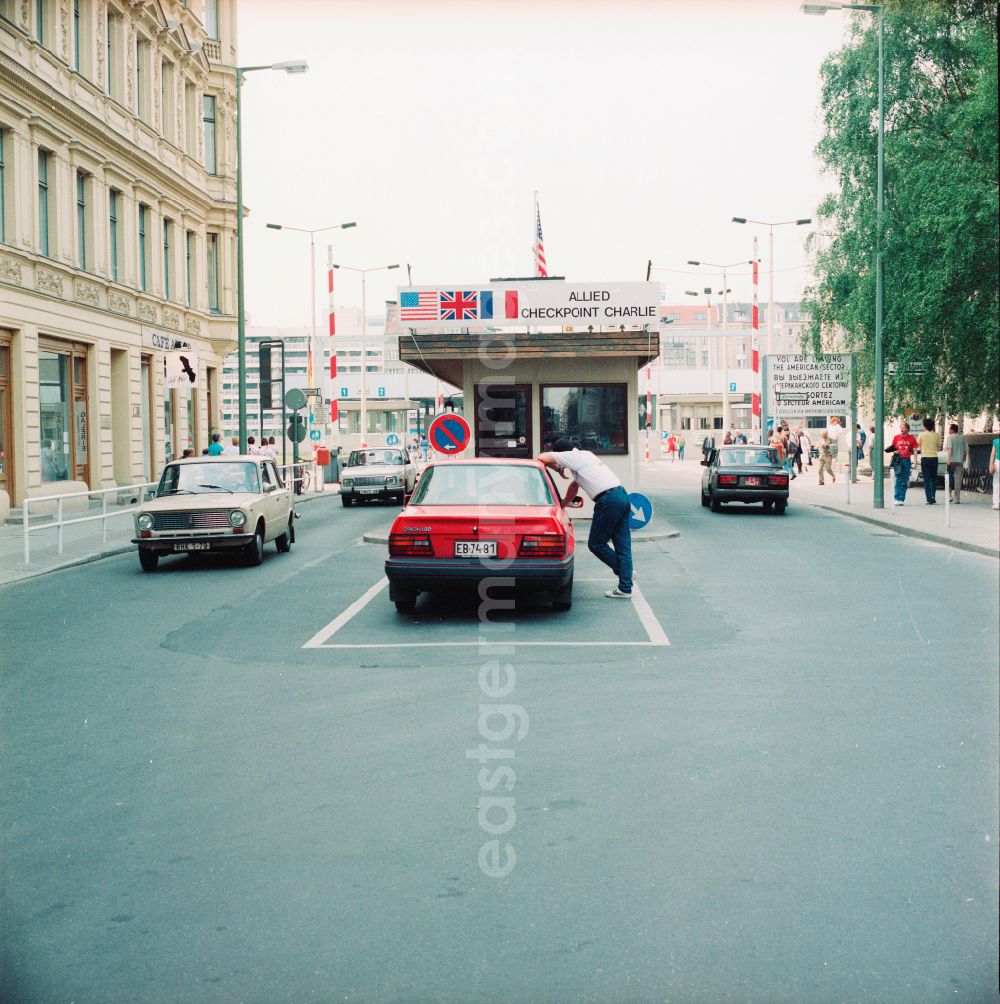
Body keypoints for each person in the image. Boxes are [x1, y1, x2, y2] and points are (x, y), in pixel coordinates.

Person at [538, 438, 633, 599]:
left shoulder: (571, 457)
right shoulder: (585, 455)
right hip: (622, 496)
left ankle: (624, 573)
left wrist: (557, 467)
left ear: (562, 453)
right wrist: (563, 504)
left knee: (596, 544)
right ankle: (625, 585)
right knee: (622, 545)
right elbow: (574, 486)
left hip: (608, 500)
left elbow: (542, 457)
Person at [885, 419, 918, 506]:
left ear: (908, 429)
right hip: (898, 460)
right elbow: (893, 448)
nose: (902, 429)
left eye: (904, 428)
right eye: (901, 427)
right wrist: (895, 451)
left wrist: (915, 462)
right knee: (899, 479)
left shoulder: (912, 438)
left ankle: (902, 499)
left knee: (905, 480)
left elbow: (915, 451)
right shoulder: (896, 437)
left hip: (907, 460)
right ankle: (896, 498)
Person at [916, 417, 941, 504]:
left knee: (926, 479)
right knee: (933, 479)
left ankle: (929, 498)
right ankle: (933, 497)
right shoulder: (937, 435)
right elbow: (938, 447)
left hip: (925, 457)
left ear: (925, 426)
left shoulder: (921, 435)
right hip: (934, 458)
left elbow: (917, 445)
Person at [945, 423, 969, 503]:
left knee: (949, 479)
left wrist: (948, 459)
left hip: (951, 462)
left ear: (952, 430)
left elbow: (950, 449)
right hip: (959, 461)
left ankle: (949, 496)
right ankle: (957, 499)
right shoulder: (962, 438)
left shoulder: (950, 438)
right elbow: (966, 450)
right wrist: (963, 459)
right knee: (958, 480)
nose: (948, 431)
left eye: (949, 429)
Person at [990, 426, 1000, 510]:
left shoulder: (996, 442)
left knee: (996, 483)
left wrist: (991, 464)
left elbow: (992, 454)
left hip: (998, 463)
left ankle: (996, 503)